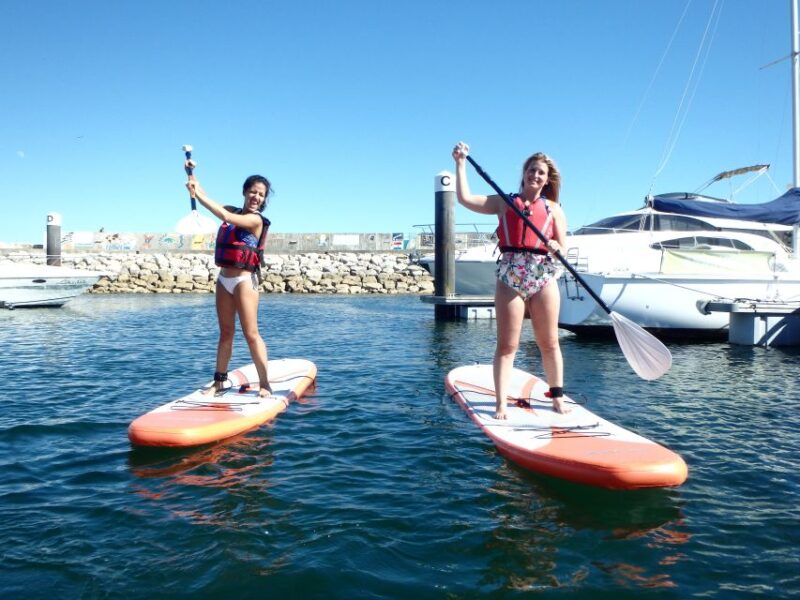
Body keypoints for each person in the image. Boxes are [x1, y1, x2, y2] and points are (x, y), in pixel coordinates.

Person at [452, 142, 568, 418]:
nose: (535, 176)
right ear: (524, 173)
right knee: (507, 345)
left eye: (541, 172)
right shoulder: (505, 203)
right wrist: (460, 163)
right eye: (531, 170)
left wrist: (555, 246)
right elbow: (465, 199)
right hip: (510, 276)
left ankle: (557, 397)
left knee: (550, 342)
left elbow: (563, 246)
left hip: (542, 275)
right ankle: (501, 403)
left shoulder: (554, 209)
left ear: (547, 179)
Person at [185, 161, 273, 398]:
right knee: (225, 333)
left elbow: (221, 213)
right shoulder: (233, 210)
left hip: (245, 281)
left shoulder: (255, 220)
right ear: (245, 192)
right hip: (224, 280)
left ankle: (265, 383)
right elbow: (202, 193)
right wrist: (190, 174)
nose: (256, 197)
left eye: (261, 194)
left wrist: (199, 195)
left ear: (264, 200)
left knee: (251, 334)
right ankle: (220, 381)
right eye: (253, 191)